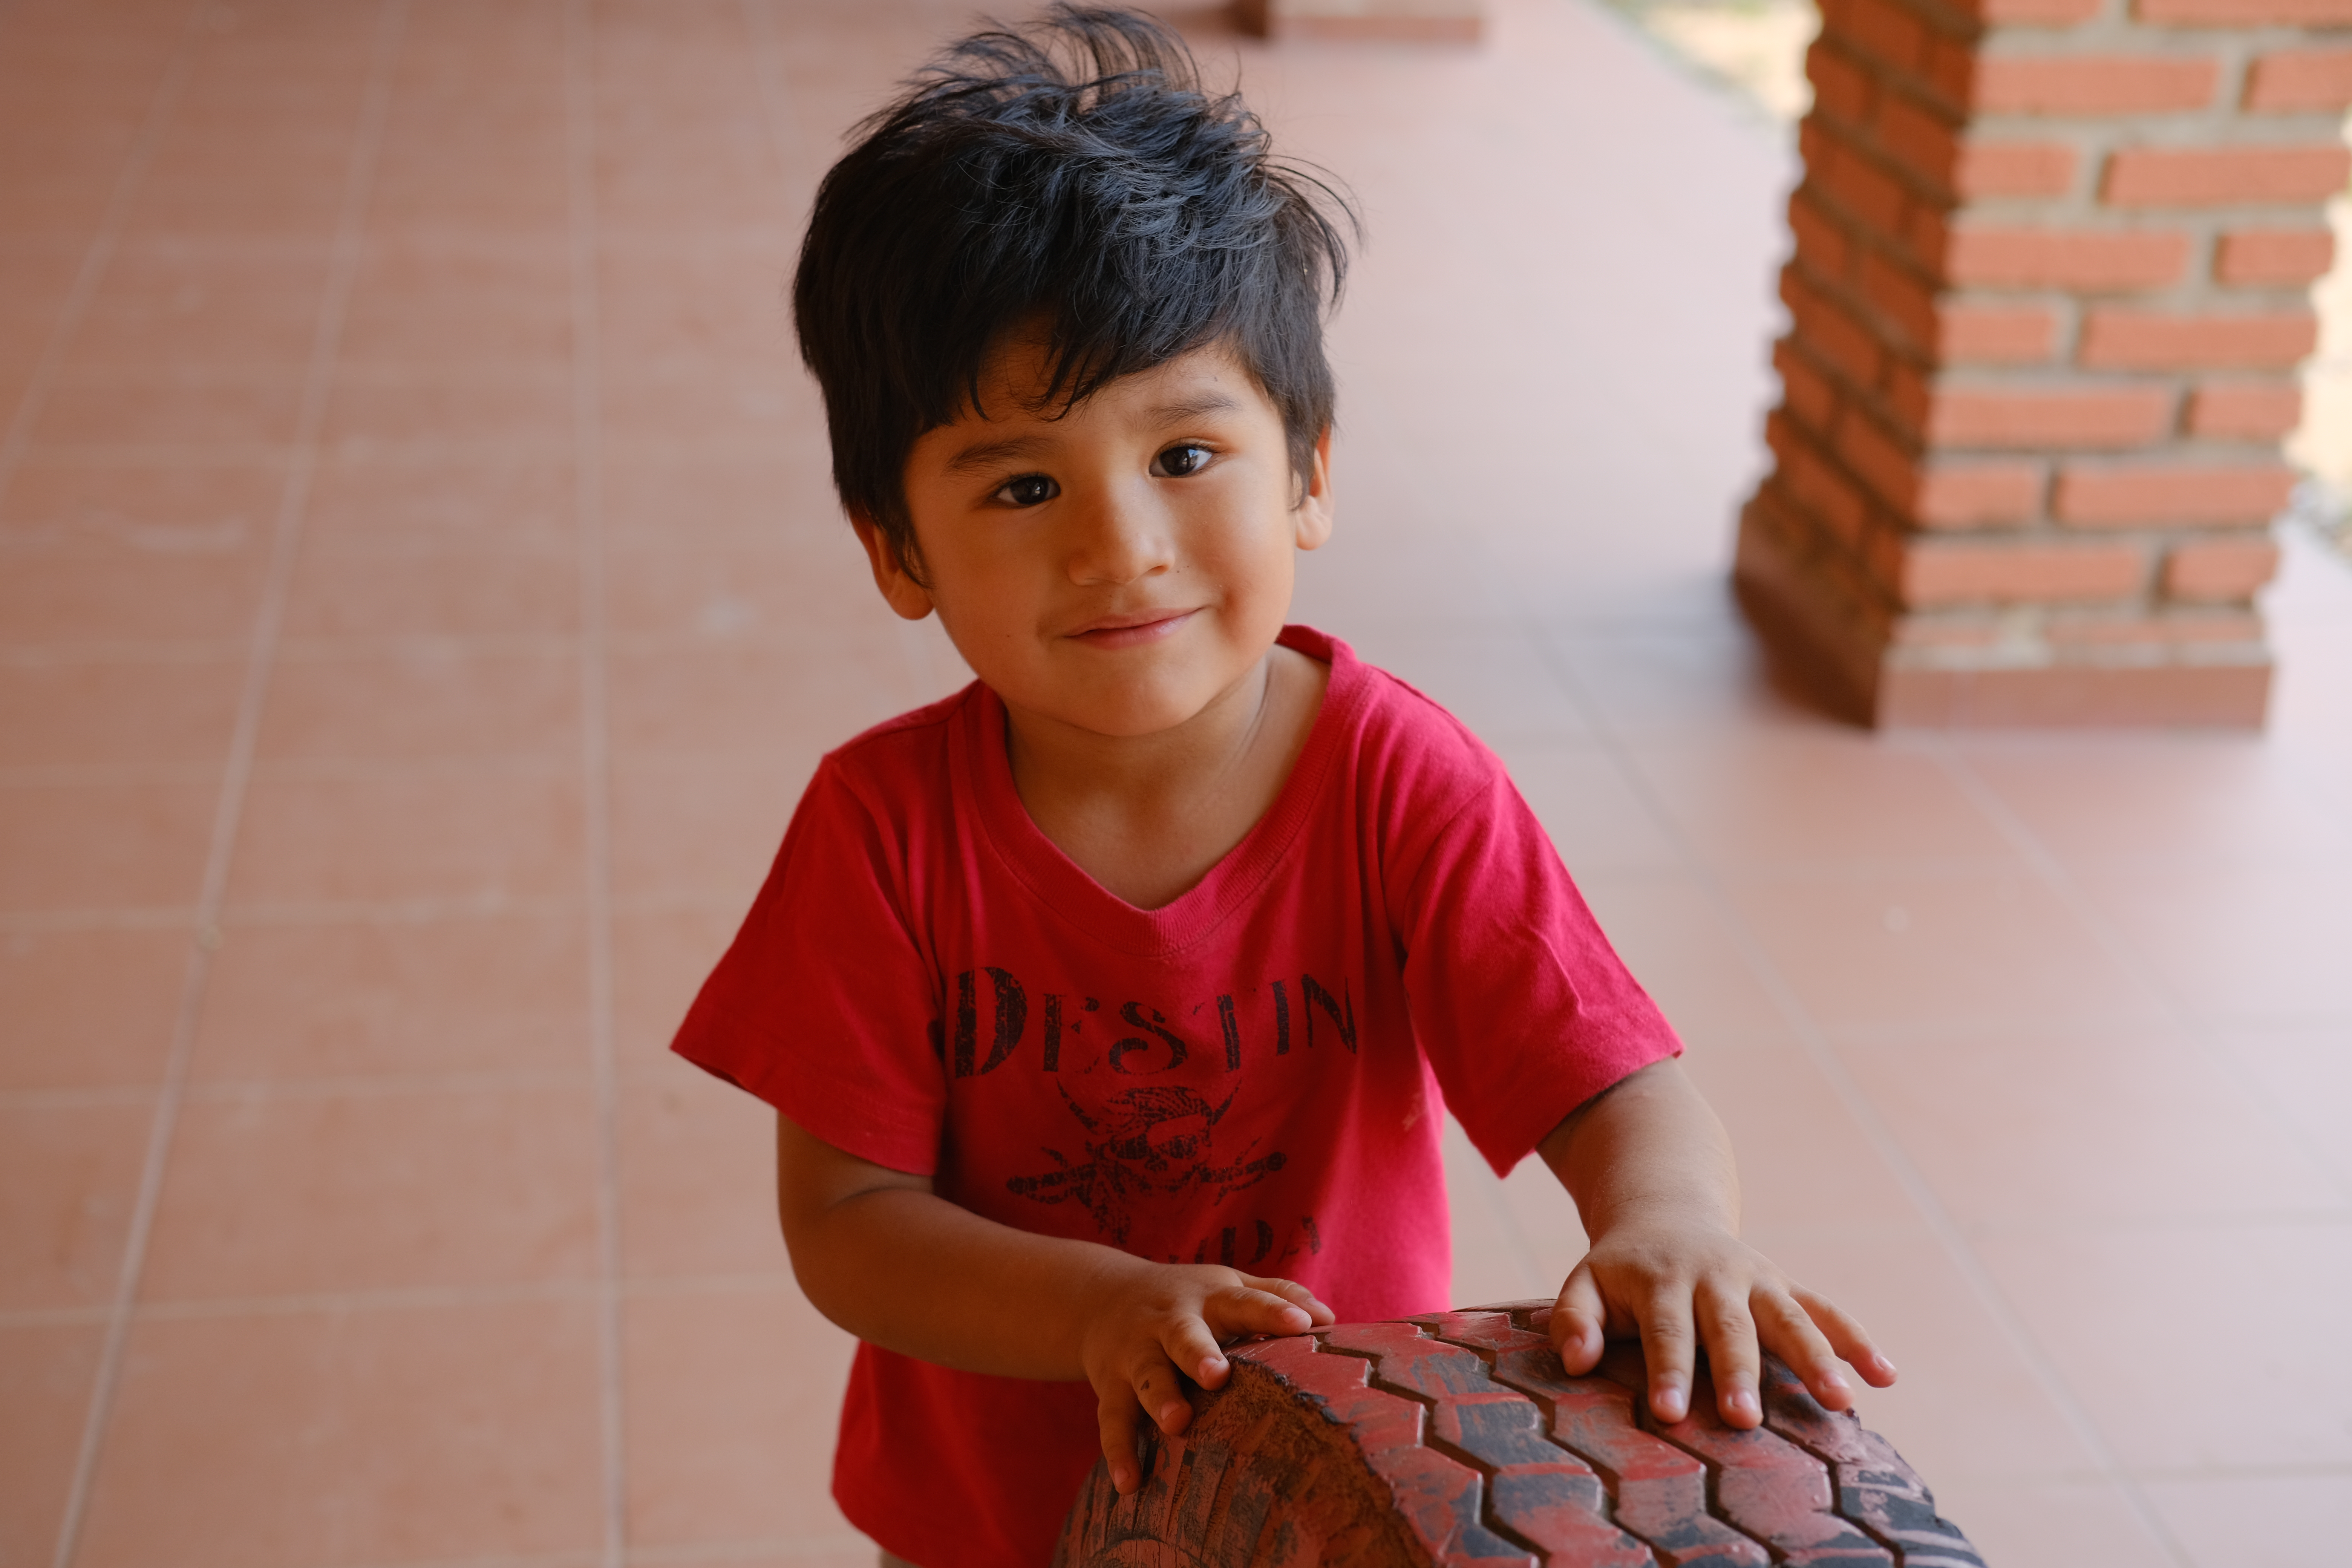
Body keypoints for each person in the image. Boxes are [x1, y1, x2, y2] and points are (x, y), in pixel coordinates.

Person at [671, 8, 1895, 1566]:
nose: (1121, 544)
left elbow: (1602, 1076)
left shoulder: (1397, 778)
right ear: (897, 551)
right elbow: (846, 1227)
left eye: (1186, 454)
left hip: (1343, 1481)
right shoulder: (882, 829)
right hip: (995, 1504)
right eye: (1027, 484)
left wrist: (1667, 1219)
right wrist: (1102, 1305)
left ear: (1309, 471)